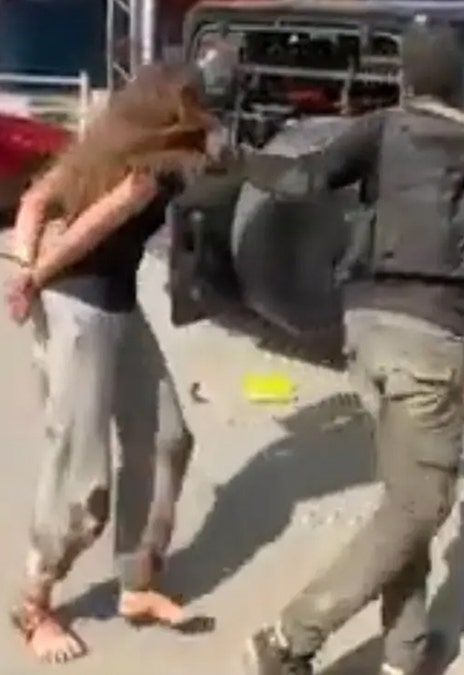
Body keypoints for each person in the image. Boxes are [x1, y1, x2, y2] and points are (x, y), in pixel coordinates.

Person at [238, 21, 464, 675]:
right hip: (433, 341)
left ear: (409, 75)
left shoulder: (383, 128)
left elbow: (304, 180)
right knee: (421, 505)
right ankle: (287, 639)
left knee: (404, 500)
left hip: (365, 331)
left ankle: (406, 652)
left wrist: (235, 160)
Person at [4, 63, 217, 664]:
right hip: (78, 310)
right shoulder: (144, 167)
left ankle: (136, 581)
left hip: (116, 306)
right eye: (193, 105)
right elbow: (80, 218)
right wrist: (33, 273)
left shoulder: (118, 146)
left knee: (167, 436)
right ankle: (35, 604)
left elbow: (35, 203)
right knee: (80, 469)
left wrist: (24, 265)